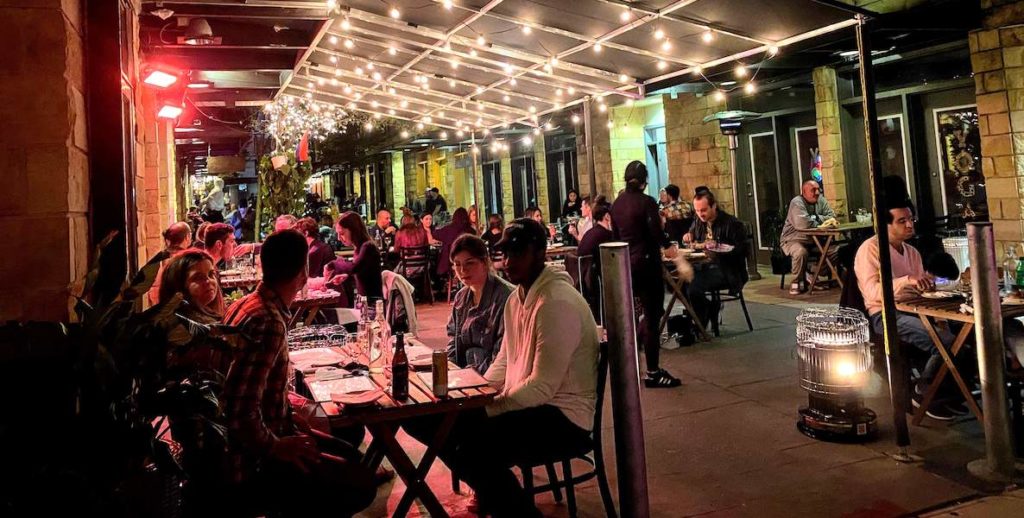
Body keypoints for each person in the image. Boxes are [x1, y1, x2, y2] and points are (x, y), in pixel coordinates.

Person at [221, 230, 376, 516]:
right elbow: (239, 409)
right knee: (360, 484)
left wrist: (289, 413)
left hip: (264, 434)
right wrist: (277, 446)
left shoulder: (245, 304)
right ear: (304, 272)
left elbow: (250, 390)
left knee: (353, 454)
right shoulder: (268, 321)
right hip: (251, 461)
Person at [453, 218, 598, 517]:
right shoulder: (517, 300)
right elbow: (504, 362)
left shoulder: (556, 302)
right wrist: (477, 395)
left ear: (540, 252)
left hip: (565, 418)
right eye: (505, 254)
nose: (509, 261)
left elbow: (543, 386)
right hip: (534, 406)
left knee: (471, 449)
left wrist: (490, 407)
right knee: (458, 435)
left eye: (518, 253)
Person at [611, 161, 681, 388]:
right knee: (652, 318)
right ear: (644, 180)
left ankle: (628, 369)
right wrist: (668, 246)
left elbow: (615, 236)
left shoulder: (617, 205)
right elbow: (655, 233)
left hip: (626, 266)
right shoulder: (647, 202)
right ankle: (652, 371)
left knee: (630, 318)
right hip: (647, 265)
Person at [446, 234, 514, 374]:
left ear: (484, 262)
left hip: (493, 375)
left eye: (470, 263)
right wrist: (451, 369)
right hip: (463, 374)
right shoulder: (461, 297)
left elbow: (501, 354)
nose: (463, 270)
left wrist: (472, 377)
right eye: (457, 264)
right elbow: (453, 338)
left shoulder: (504, 298)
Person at [683, 189, 749, 331]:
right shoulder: (698, 222)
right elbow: (693, 239)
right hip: (703, 266)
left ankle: (700, 321)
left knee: (693, 284)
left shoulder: (731, 223)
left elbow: (743, 250)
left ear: (714, 206)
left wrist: (720, 249)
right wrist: (688, 237)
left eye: (704, 210)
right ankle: (707, 308)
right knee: (678, 281)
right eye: (697, 210)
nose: (701, 214)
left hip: (727, 270)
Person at [158, 250, 228, 371]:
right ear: (179, 286)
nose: (208, 281)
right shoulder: (191, 328)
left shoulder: (206, 316)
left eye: (211, 274)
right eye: (198, 278)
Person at [780, 180, 838, 295]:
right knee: (801, 252)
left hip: (815, 240)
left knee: (835, 250)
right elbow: (802, 224)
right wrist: (822, 219)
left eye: (818, 189)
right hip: (793, 239)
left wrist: (813, 217)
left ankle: (812, 271)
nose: (817, 192)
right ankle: (796, 282)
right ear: (804, 192)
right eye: (813, 190)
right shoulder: (797, 203)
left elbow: (832, 217)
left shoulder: (821, 199)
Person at [326, 211, 384, 305]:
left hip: (373, 305)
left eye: (342, 233)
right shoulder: (360, 248)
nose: (339, 238)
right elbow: (364, 272)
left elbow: (354, 267)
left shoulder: (368, 246)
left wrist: (333, 263)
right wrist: (347, 276)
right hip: (366, 302)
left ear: (353, 230)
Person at [576, 202, 615, 320]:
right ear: (607, 217)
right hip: (595, 282)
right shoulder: (606, 235)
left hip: (582, 279)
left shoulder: (591, 233)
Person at [433, 207, 476, 280]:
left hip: (450, 262)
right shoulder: (471, 231)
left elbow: (435, 234)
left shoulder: (448, 229)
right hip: (468, 260)